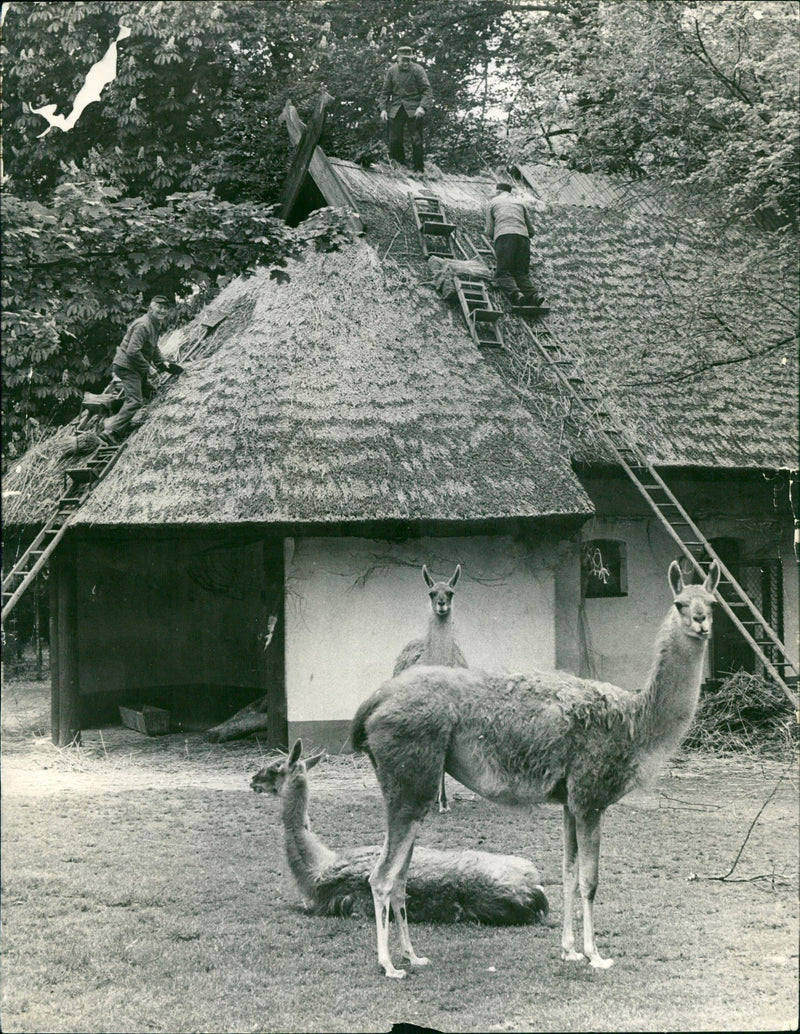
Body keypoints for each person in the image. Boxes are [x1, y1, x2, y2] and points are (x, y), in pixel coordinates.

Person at [100, 295, 182, 443]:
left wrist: (162, 362)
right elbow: (132, 351)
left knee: (151, 392)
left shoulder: (154, 324)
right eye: (159, 307)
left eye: (165, 309)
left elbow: (153, 347)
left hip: (135, 367)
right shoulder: (143, 325)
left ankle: (120, 412)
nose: (162, 311)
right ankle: (111, 431)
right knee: (135, 401)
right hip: (127, 367)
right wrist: (148, 368)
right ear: (151, 307)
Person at [484, 181, 545, 308]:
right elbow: (531, 231)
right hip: (523, 239)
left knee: (503, 272)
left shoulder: (493, 202)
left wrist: (497, 240)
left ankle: (516, 294)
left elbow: (489, 231)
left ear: (498, 191)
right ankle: (534, 295)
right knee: (521, 273)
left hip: (505, 237)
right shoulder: (520, 203)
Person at [380, 45, 433, 173]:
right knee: (394, 140)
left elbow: (427, 90)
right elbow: (385, 92)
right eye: (403, 60)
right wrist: (383, 109)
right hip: (396, 109)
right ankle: (399, 168)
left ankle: (419, 171)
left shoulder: (418, 70)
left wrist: (422, 107)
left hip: (414, 110)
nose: (405, 63)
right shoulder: (392, 71)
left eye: (408, 60)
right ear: (398, 59)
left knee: (416, 140)